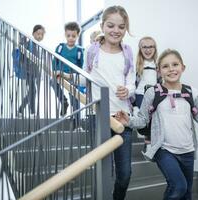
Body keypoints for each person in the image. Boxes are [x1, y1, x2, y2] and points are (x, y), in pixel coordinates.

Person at [115, 49, 198, 200]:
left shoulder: (192, 93)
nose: (171, 69)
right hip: (164, 149)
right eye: (165, 66)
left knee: (186, 194)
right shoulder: (152, 92)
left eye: (175, 64)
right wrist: (129, 120)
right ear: (159, 71)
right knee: (178, 186)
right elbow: (143, 119)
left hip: (188, 151)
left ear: (183, 67)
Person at [85, 6, 136, 200]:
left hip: (123, 118)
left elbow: (131, 82)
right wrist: (65, 75)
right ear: (102, 26)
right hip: (99, 117)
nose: (116, 30)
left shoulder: (128, 52)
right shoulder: (92, 51)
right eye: (111, 25)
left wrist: (128, 90)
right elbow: (86, 77)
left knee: (124, 175)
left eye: (121, 27)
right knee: (104, 170)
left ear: (126, 29)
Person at [50, 22, 84, 116]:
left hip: (72, 77)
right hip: (59, 74)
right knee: (52, 82)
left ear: (77, 35)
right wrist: (54, 71)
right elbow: (55, 60)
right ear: (65, 35)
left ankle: (76, 123)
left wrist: (77, 77)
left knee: (75, 99)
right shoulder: (60, 47)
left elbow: (81, 65)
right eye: (68, 35)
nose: (71, 38)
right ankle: (63, 101)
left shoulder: (79, 50)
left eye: (73, 36)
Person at [134, 36, 158, 152]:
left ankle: (150, 144)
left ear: (155, 48)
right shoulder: (137, 65)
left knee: (154, 120)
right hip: (140, 95)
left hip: (154, 95)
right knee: (144, 120)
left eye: (150, 47)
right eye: (144, 47)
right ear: (140, 49)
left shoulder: (158, 65)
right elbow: (133, 83)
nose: (148, 50)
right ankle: (146, 142)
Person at [17, 24, 45, 117]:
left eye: (42, 34)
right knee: (33, 91)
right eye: (38, 34)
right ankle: (32, 112)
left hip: (35, 72)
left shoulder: (40, 46)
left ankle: (21, 109)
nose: (40, 36)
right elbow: (22, 57)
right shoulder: (29, 44)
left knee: (32, 92)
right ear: (33, 34)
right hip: (28, 71)